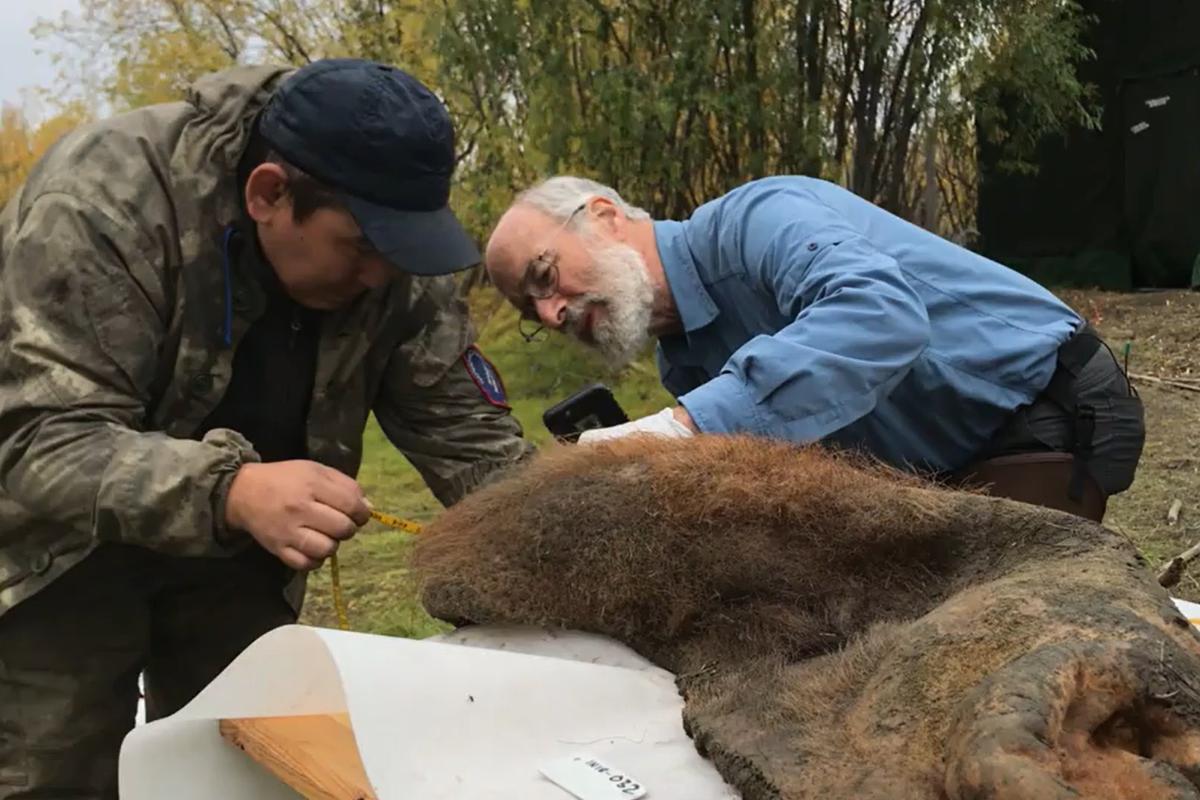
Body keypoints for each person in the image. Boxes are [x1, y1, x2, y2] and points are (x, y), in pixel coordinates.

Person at [0, 59, 532, 798]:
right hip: (59, 553)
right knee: (54, 774)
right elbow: (38, 437)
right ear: (269, 194)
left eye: (402, 253)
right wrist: (231, 489)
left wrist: (575, 543)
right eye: (363, 248)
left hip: (239, 562)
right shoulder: (103, 203)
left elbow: (476, 444)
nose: (381, 277)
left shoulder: (392, 247)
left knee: (243, 769)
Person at [485, 174, 1145, 519]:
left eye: (543, 275)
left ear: (603, 216)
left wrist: (687, 427)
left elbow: (881, 314)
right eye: (528, 311)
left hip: (1043, 407)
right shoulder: (681, 361)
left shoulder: (758, 219)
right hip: (940, 459)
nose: (551, 312)